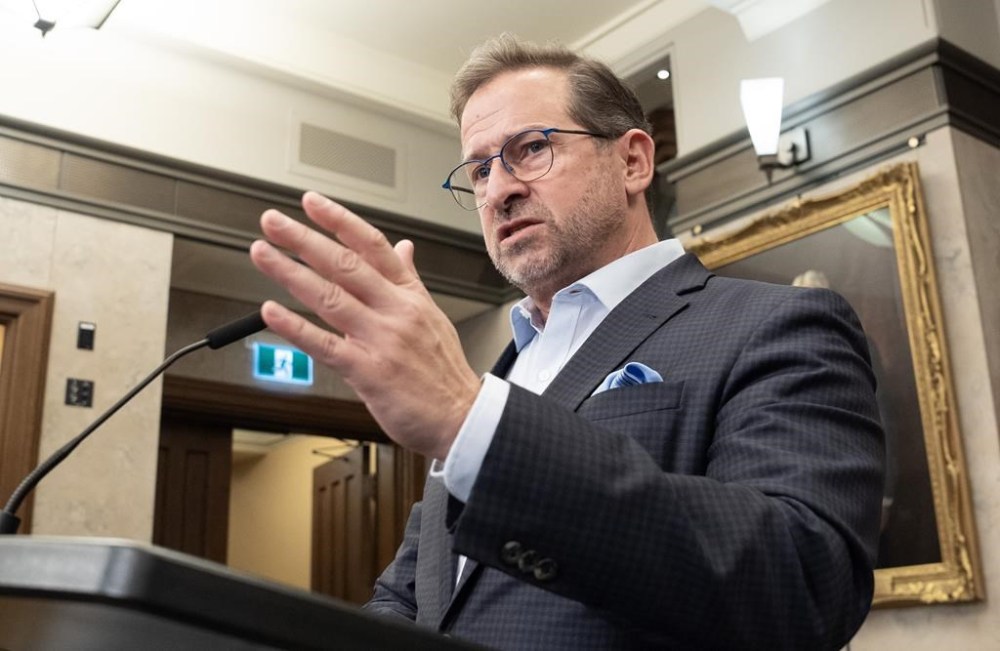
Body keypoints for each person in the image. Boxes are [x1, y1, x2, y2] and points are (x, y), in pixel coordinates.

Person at [249, 34, 884, 651]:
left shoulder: (777, 325)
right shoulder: (500, 375)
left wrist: (472, 422)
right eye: (480, 170)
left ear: (632, 162)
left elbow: (804, 583)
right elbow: (420, 598)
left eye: (530, 148)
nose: (498, 190)